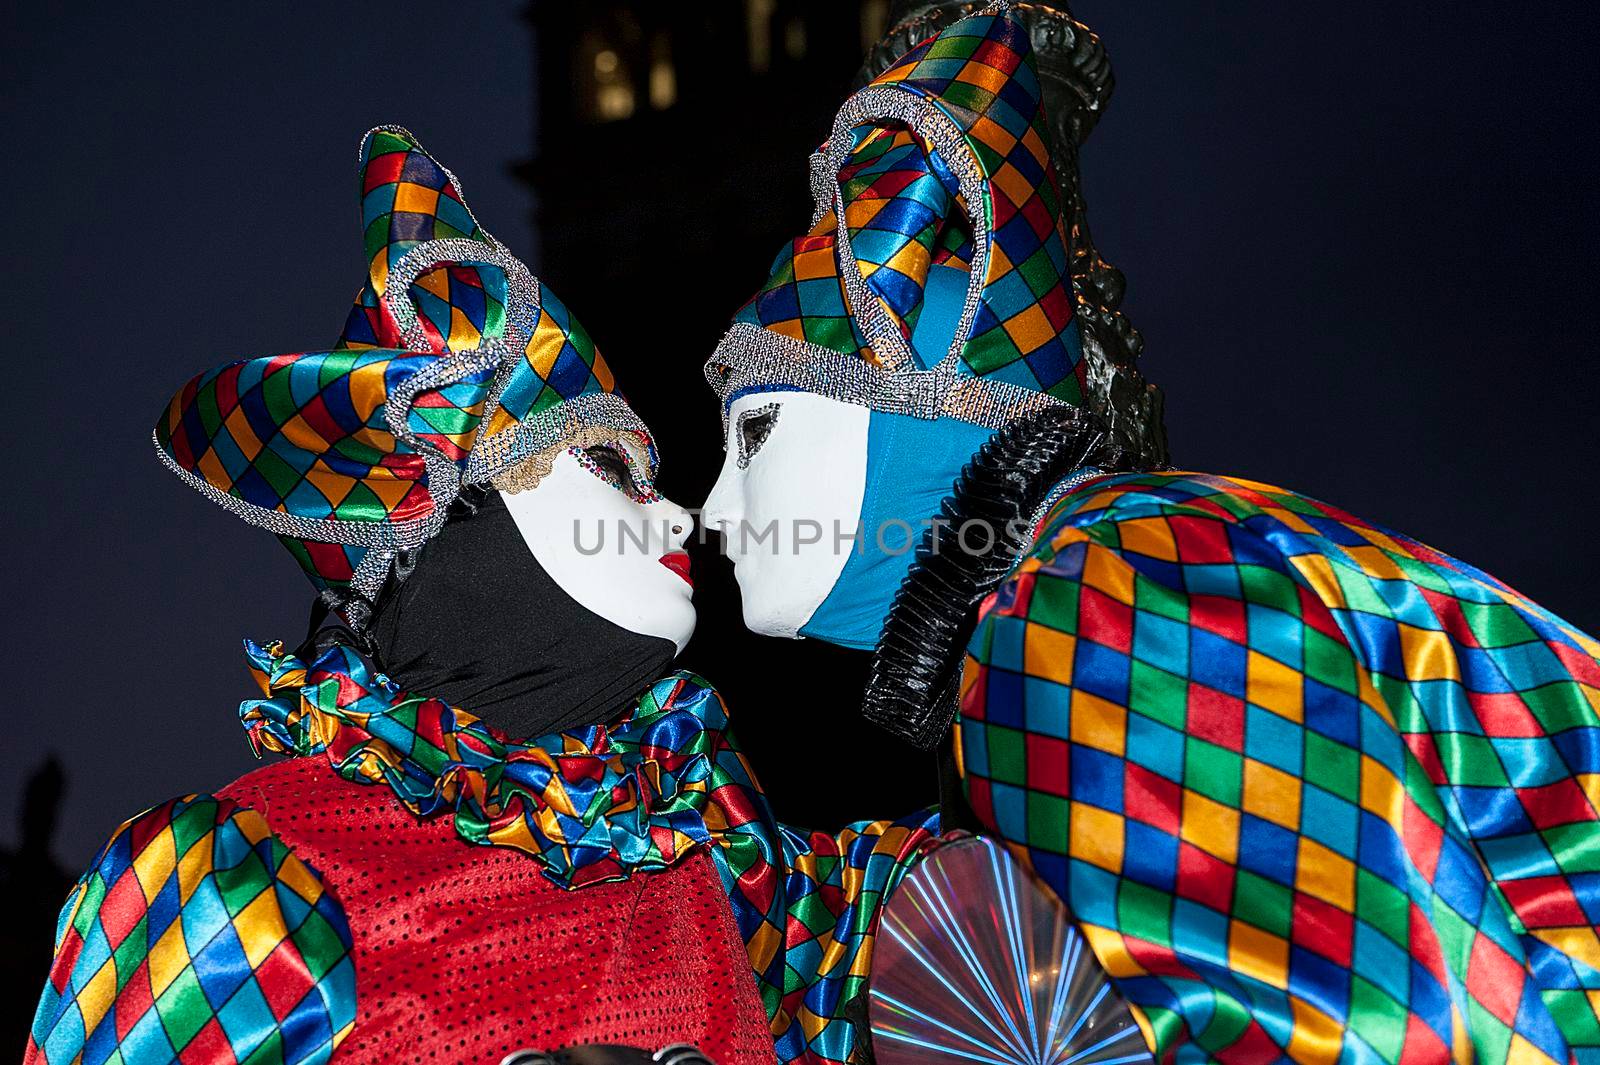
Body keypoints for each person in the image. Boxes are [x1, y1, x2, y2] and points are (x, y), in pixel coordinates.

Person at [702, 5, 1600, 1062]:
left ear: (917, 418)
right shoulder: (1090, 581)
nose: (713, 507)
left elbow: (1378, 1033)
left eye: (755, 431)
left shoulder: (1098, 598)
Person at [25, 127, 934, 1065]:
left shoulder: (738, 872)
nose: (678, 515)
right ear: (457, 518)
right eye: (610, 470)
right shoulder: (236, 879)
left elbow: (1005, 912)